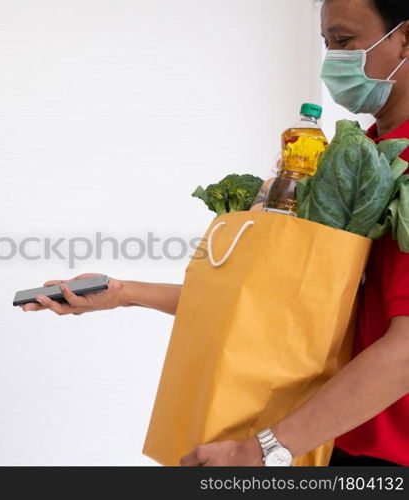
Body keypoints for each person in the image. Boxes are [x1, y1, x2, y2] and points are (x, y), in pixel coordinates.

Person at [20, 0, 409, 467]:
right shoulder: (358, 158)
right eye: (326, 44)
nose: (332, 60)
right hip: (329, 438)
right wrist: (123, 293)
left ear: (404, 38)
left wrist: (262, 451)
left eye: (344, 42)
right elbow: (278, 308)